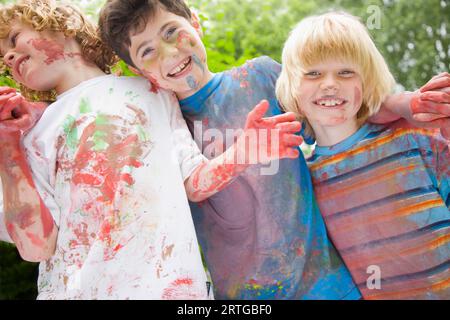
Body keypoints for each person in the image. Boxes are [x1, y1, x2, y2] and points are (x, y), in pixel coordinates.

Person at [98, 0, 450, 299]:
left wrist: (404, 104)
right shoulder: (160, 131)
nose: (169, 51)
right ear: (138, 71)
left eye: (171, 32)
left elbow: (332, 105)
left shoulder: (260, 77)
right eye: (148, 51)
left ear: (195, 23)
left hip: (326, 283)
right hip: (245, 297)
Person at [0, 0, 301, 299]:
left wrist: (243, 152)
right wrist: (7, 147)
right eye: (4, 58)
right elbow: (35, 247)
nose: (10, 56)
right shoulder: (28, 136)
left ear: (60, 24)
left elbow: (194, 182)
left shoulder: (153, 92)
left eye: (14, 39)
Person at [276, 11, 450, 300]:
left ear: (367, 80)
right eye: (313, 73)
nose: (329, 83)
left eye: (345, 72)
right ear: (293, 87)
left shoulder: (415, 138)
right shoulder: (305, 183)